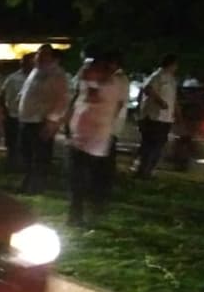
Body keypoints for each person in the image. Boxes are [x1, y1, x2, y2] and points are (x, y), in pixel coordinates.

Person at [65, 55, 126, 227]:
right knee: (77, 177)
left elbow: (92, 96)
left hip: (94, 140)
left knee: (84, 177)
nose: (86, 72)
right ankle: (78, 212)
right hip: (81, 136)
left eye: (92, 69)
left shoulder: (111, 86)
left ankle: (85, 211)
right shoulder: (96, 83)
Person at [17, 44, 70, 194]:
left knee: (40, 156)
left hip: (42, 121)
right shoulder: (36, 71)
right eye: (38, 54)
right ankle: (28, 182)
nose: (39, 57)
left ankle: (37, 186)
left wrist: (52, 120)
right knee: (27, 153)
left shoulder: (57, 75)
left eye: (44, 55)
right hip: (27, 119)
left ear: (52, 57)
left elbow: (62, 100)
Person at [135, 53, 179, 178]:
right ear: (171, 64)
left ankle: (148, 171)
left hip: (165, 118)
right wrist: (160, 102)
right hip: (154, 117)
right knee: (150, 145)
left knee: (158, 146)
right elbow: (148, 89)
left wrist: (177, 113)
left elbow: (173, 99)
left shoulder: (171, 79)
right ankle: (143, 171)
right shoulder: (157, 76)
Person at [0, 52, 34, 171]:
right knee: (13, 142)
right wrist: (5, 112)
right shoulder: (13, 78)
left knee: (28, 143)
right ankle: (12, 165)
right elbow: (3, 96)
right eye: (27, 62)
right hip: (14, 115)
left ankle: (27, 166)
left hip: (31, 117)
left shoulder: (38, 78)